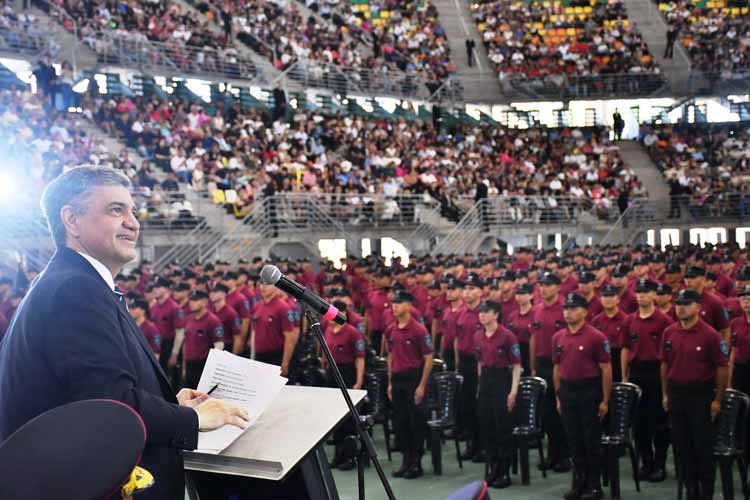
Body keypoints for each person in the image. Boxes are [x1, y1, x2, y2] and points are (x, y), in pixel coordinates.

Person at [0, 166, 248, 500]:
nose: (133, 222)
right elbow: (109, 404)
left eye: (132, 210)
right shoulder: (75, 288)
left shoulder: (71, 281)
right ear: (71, 220)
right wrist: (191, 418)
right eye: (116, 210)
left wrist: (169, 405)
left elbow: (89, 390)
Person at [661, 289, 729, 500]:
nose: (681, 307)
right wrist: (665, 394)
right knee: (682, 445)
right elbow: (664, 364)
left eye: (687, 303)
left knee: (703, 446)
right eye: (679, 303)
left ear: (698, 307)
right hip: (676, 393)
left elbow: (722, 367)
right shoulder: (669, 332)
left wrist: (718, 399)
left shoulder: (711, 335)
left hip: (701, 395)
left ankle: (705, 491)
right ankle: (691, 488)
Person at [553, 293, 612, 500]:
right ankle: (579, 482)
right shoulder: (558, 337)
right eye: (566, 309)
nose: (568, 312)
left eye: (574, 308)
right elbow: (557, 367)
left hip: (589, 391)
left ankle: (594, 485)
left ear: (585, 312)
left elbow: (606, 369)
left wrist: (605, 400)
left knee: (591, 440)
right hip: (568, 391)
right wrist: (558, 395)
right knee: (574, 439)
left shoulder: (596, 337)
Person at [622, 279, 674, 482]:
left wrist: (666, 387)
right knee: (640, 423)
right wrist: (625, 375)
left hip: (656, 373)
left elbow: (668, 356)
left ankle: (660, 464)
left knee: (660, 423)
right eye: (639, 292)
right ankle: (646, 461)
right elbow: (625, 348)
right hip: (636, 373)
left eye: (646, 292)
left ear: (655, 295)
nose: (642, 295)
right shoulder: (630, 320)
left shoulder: (664, 322)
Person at [386, 290, 434, 479]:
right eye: (393, 303)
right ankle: (406, 460)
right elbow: (390, 355)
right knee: (401, 422)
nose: (394, 306)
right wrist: (390, 381)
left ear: (408, 306)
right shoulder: (391, 329)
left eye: (398, 303)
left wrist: (422, 385)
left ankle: (416, 463)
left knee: (416, 422)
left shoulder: (419, 330)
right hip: (397, 379)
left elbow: (429, 358)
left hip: (413, 378)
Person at [476, 300, 522, 488]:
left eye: (486, 312)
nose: (482, 315)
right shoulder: (478, 335)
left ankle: (504, 471)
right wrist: (480, 384)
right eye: (481, 312)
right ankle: (493, 468)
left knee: (502, 427)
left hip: (502, 380)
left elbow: (517, 365)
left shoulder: (507, 336)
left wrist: (513, 392)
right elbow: (479, 361)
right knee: (487, 426)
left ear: (495, 314)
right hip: (486, 380)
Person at [531, 271, 571, 472]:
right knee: (546, 413)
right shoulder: (537, 309)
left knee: (562, 411)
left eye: (547, 285)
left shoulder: (566, 309)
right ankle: (552, 454)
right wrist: (533, 366)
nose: (543, 288)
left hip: (562, 365)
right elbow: (534, 338)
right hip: (542, 363)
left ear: (557, 286)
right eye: (541, 285)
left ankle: (564, 455)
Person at [323, 300, 366, 471]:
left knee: (348, 419)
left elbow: (360, 358)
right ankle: (338, 455)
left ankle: (350, 457)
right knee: (335, 417)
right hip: (332, 373)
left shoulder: (353, 333)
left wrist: (358, 381)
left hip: (347, 374)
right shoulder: (328, 329)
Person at [455, 273, 484, 461]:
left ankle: (482, 446)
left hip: (479, 364)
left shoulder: (485, 314)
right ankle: (471, 444)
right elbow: (457, 340)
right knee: (466, 406)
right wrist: (457, 363)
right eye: (465, 288)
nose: (467, 292)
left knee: (479, 407)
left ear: (481, 292)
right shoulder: (462, 312)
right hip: (464, 363)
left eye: (472, 288)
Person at [251, 281, 298, 374]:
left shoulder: (283, 308)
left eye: (267, 284)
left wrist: (285, 362)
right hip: (259, 355)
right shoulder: (257, 306)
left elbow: (290, 337)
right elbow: (254, 332)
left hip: (275, 356)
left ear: (276, 287)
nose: (263, 287)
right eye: (262, 284)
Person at [150, 276, 186, 387]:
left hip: (169, 345)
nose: (155, 290)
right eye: (154, 287)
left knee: (170, 379)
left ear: (167, 289)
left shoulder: (174, 308)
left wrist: (174, 353)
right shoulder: (154, 306)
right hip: (156, 345)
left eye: (158, 287)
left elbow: (180, 332)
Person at [591, 285, 627, 382]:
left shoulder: (626, 320)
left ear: (618, 299)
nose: (608, 299)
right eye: (605, 296)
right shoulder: (596, 321)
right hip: (599, 361)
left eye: (611, 296)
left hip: (618, 360)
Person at [507, 283, 535, 375]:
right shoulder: (512, 315)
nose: (519, 297)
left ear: (531, 295)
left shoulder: (535, 314)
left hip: (529, 350)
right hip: (515, 350)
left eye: (523, 294)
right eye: (517, 294)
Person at [439, 277, 465, 371]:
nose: (449, 292)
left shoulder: (464, 311)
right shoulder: (447, 310)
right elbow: (443, 334)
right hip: (447, 350)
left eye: (453, 289)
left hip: (460, 352)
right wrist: (441, 353)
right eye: (448, 289)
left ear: (461, 291)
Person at [729, 286, 750, 395]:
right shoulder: (735, 323)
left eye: (749, 299)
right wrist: (729, 381)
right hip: (739, 370)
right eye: (743, 299)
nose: (746, 302)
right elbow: (733, 351)